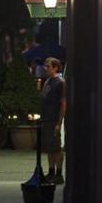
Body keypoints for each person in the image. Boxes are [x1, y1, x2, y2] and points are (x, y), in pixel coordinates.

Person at [41, 57, 66, 185]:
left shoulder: (60, 82)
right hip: (47, 118)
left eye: (48, 66)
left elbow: (63, 102)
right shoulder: (48, 81)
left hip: (54, 118)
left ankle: (59, 173)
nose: (46, 68)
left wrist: (59, 122)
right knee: (50, 147)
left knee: (57, 147)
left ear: (55, 67)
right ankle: (51, 172)